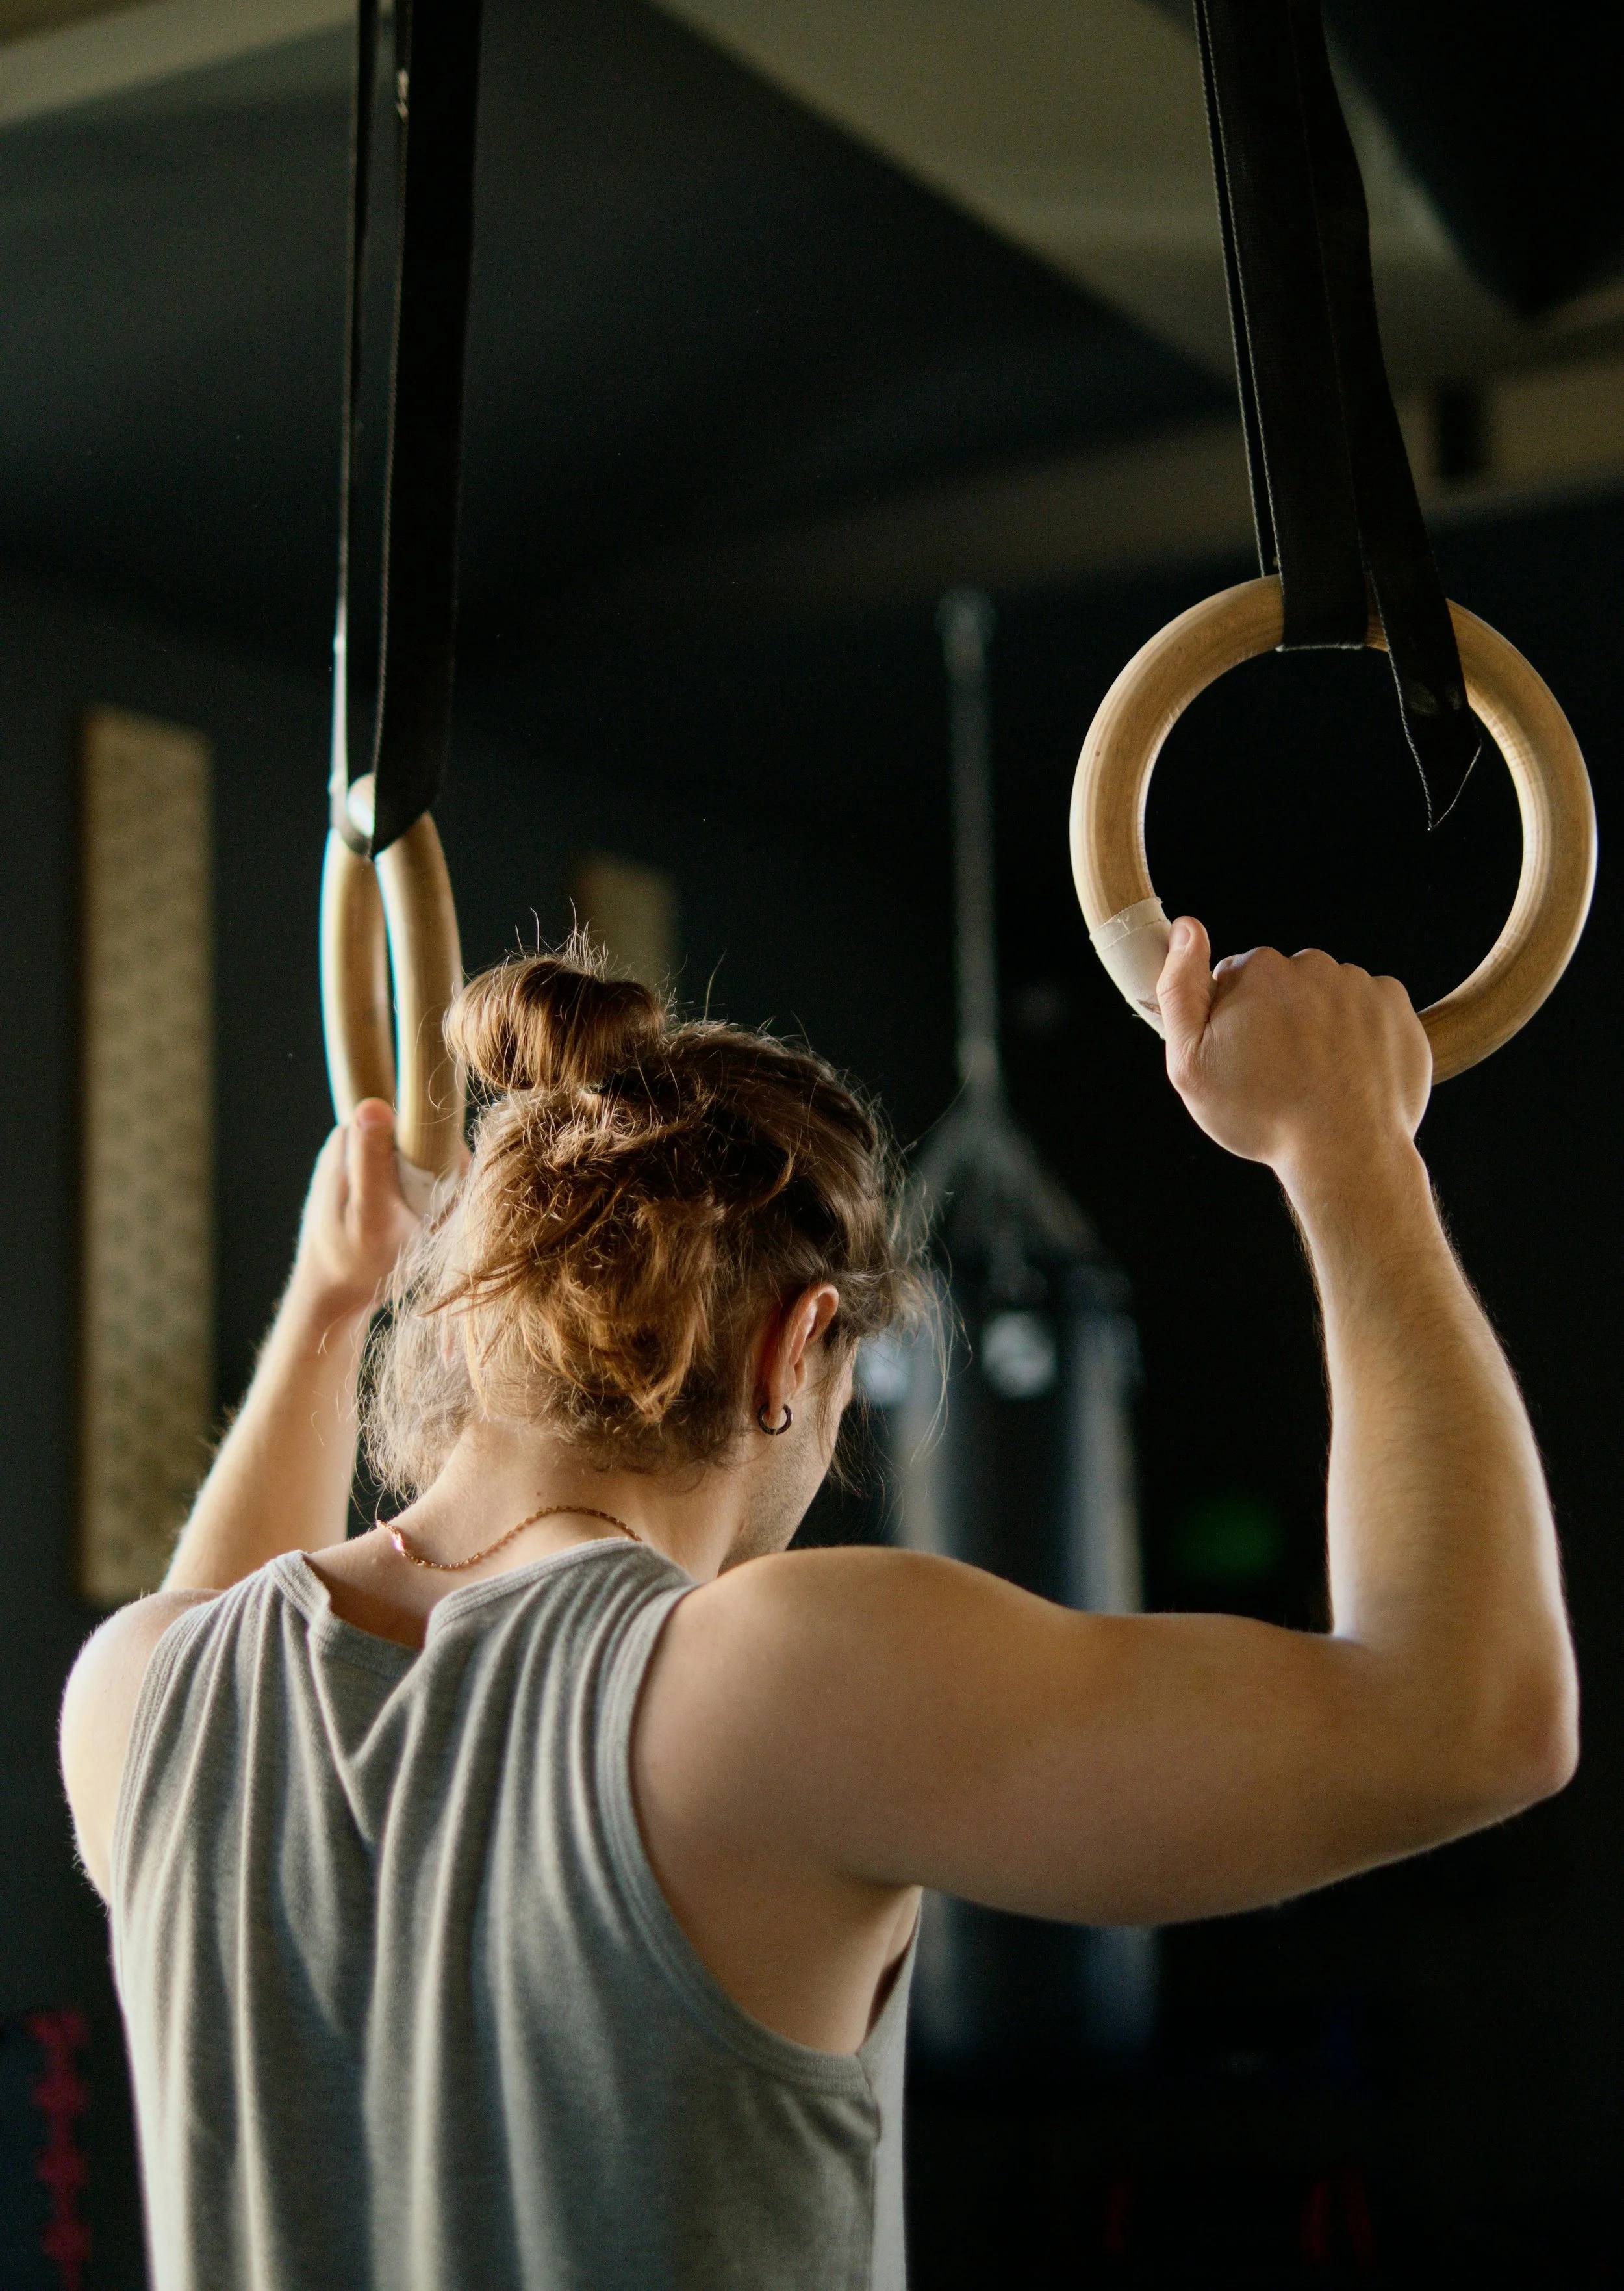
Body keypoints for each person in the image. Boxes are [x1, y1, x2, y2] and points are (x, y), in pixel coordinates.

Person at [60, 923, 1575, 2290]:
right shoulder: (750, 1681)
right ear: (796, 1354)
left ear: (467, 1330)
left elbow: (217, 1608)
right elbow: (1467, 1717)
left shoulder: (137, 1704)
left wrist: (330, 1299)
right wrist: (1348, 1149)